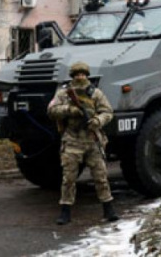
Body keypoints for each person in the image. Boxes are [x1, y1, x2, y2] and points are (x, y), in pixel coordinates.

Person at [47, 61, 119, 225]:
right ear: (73, 76)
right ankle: (65, 210)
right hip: (72, 140)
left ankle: (108, 209)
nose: (80, 77)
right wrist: (69, 110)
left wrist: (97, 121)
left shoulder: (95, 93)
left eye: (83, 74)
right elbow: (51, 110)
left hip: (92, 139)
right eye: (77, 75)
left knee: (101, 176)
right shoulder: (64, 93)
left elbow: (108, 112)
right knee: (69, 178)